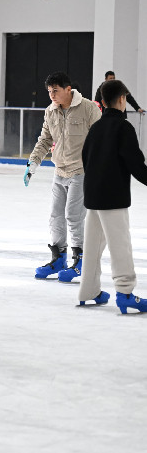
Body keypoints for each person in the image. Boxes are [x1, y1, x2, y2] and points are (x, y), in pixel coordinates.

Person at [24, 71, 101, 282]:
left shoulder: (88, 108)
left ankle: (81, 261)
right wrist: (32, 163)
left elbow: (102, 138)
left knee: (73, 216)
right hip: (60, 171)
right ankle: (59, 258)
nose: (52, 95)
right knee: (56, 216)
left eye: (55, 91)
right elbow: (44, 140)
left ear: (68, 89)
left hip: (81, 171)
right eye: (49, 91)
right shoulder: (51, 111)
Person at [79, 80, 147, 313]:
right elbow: (136, 164)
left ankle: (88, 291)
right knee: (121, 246)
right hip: (113, 198)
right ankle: (126, 292)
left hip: (94, 197)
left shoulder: (96, 127)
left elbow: (85, 157)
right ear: (121, 99)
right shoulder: (123, 127)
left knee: (93, 246)